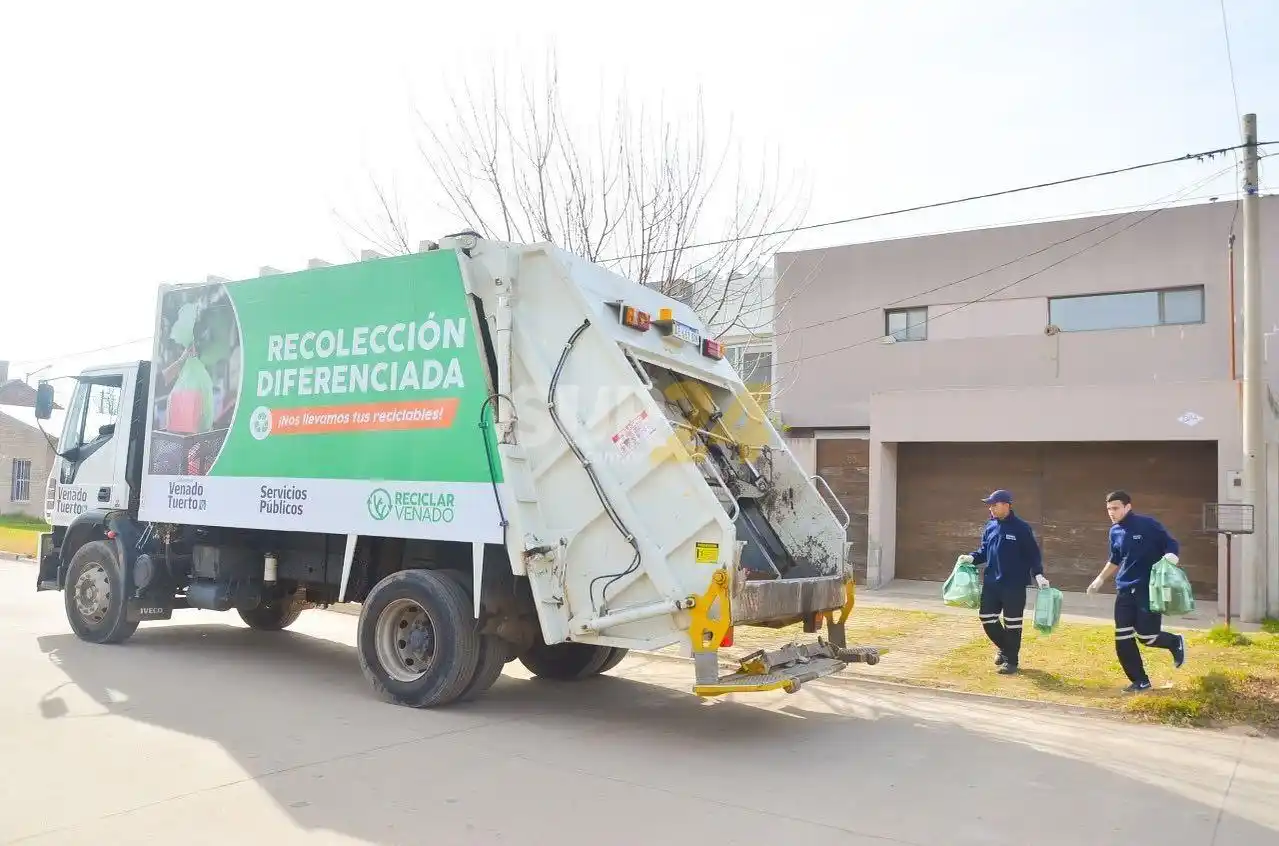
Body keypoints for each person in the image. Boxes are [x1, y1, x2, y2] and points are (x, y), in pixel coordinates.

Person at [1086, 490, 1187, 692]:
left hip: (1148, 589)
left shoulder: (1147, 525)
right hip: (1124, 589)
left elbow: (1171, 544)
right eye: (1108, 509)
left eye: (1115, 508)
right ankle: (1140, 681)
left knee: (1147, 637)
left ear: (1127, 507)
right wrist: (1099, 579)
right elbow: (1115, 559)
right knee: (1122, 637)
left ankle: (1174, 642)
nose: (1111, 512)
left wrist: (1170, 559)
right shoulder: (1114, 531)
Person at [957, 489, 1048, 675]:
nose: (990, 508)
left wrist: (1038, 574)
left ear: (1006, 505)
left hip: (1013, 584)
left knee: (1012, 623)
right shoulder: (990, 526)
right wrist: (971, 558)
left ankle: (1012, 662)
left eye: (994, 504)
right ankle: (1006, 649)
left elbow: (1033, 553)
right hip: (992, 583)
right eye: (989, 504)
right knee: (986, 618)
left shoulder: (1021, 528)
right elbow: (983, 551)